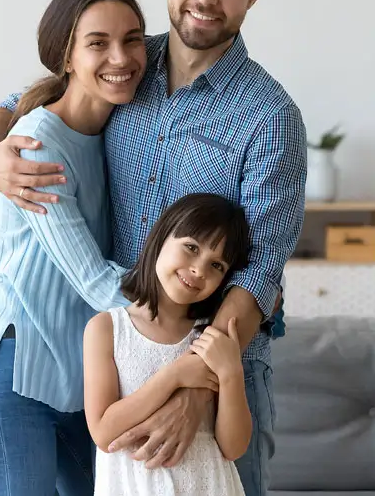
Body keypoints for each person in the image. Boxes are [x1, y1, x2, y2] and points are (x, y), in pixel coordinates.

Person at [0, 0, 307, 496]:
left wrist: (195, 386)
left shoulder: (270, 118)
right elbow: (15, 106)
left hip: (221, 370)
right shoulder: (125, 60)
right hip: (122, 360)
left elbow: (259, 276)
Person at [0, 0, 151, 496]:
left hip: (81, 382)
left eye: (133, 39)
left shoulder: (122, 121)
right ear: (65, 57)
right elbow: (94, 281)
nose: (121, 56)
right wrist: (199, 319)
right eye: (97, 43)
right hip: (14, 376)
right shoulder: (38, 145)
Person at [84, 193, 253, 495]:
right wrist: (174, 375)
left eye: (217, 265)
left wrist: (231, 375)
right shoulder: (107, 329)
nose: (199, 270)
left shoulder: (211, 337)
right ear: (161, 237)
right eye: (191, 247)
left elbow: (233, 447)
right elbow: (103, 432)